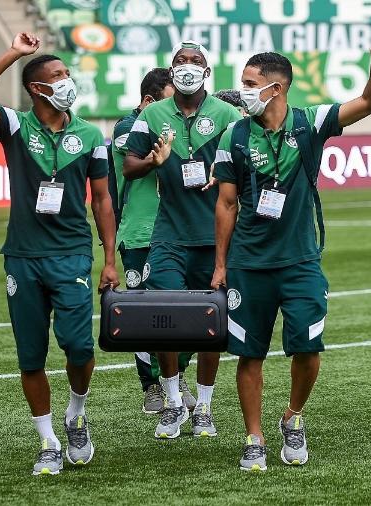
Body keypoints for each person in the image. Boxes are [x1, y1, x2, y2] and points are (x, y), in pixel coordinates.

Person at [212, 27, 371, 472]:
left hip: (300, 261)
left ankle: (293, 417)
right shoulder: (234, 136)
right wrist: (220, 265)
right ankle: (253, 437)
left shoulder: (309, 123)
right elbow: (225, 203)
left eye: (249, 84)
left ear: (276, 88)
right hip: (249, 264)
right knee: (248, 355)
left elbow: (370, 103)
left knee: (308, 349)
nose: (242, 93)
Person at [0, 32, 119, 475]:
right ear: (37, 88)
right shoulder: (14, 127)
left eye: (67, 74)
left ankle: (76, 412)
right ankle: (48, 440)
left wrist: (109, 258)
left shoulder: (91, 135)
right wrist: (14, 53)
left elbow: (103, 200)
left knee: (78, 348)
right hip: (23, 258)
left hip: (71, 255)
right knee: (30, 355)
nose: (67, 81)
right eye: (57, 76)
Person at [124, 41, 242, 438]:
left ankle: (204, 408)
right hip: (169, 236)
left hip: (216, 238)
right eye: (180, 61)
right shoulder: (153, 114)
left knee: (212, 325)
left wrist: (228, 176)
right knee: (166, 321)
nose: (187, 67)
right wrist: (151, 162)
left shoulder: (227, 114)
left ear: (208, 71)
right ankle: (174, 404)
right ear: (170, 70)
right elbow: (129, 167)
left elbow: (246, 162)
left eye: (196, 62)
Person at [109, 68, 197, 415]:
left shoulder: (181, 124)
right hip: (141, 232)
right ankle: (151, 386)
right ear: (148, 102)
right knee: (147, 315)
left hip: (179, 231)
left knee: (189, 310)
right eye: (169, 100)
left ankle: (176, 375)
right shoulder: (126, 127)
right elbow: (134, 162)